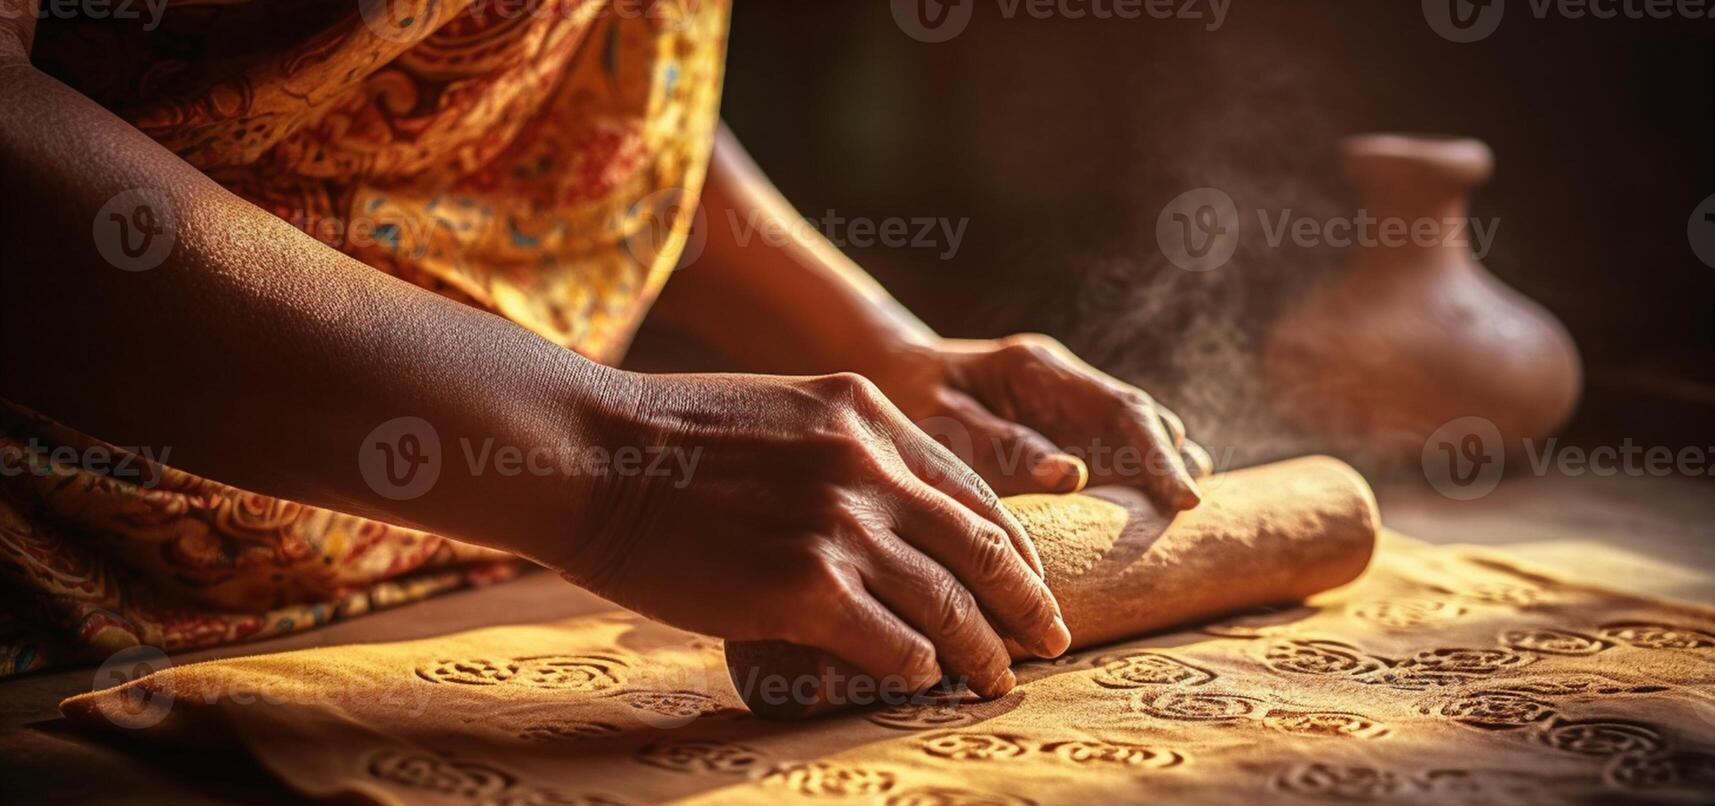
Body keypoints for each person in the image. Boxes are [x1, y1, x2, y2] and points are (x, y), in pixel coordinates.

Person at [0, 1, 1208, 694]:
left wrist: (873, 342)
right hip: (74, 636)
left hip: (477, 593)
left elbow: (572, 65)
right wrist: (612, 464)